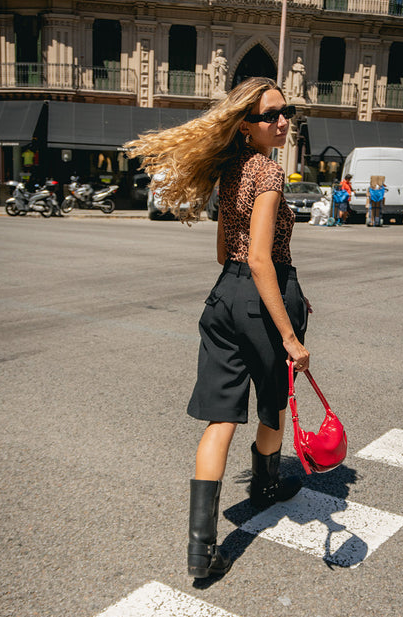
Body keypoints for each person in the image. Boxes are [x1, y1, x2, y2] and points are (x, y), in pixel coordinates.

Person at [125, 77, 310, 580]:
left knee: (221, 418)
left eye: (286, 112)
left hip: (225, 295)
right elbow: (261, 258)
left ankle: (200, 550)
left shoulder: (231, 169)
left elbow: (226, 247)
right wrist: (289, 336)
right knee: (273, 401)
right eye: (271, 115)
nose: (282, 121)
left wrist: (242, 287)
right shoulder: (268, 172)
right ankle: (265, 486)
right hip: (261, 295)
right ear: (246, 126)